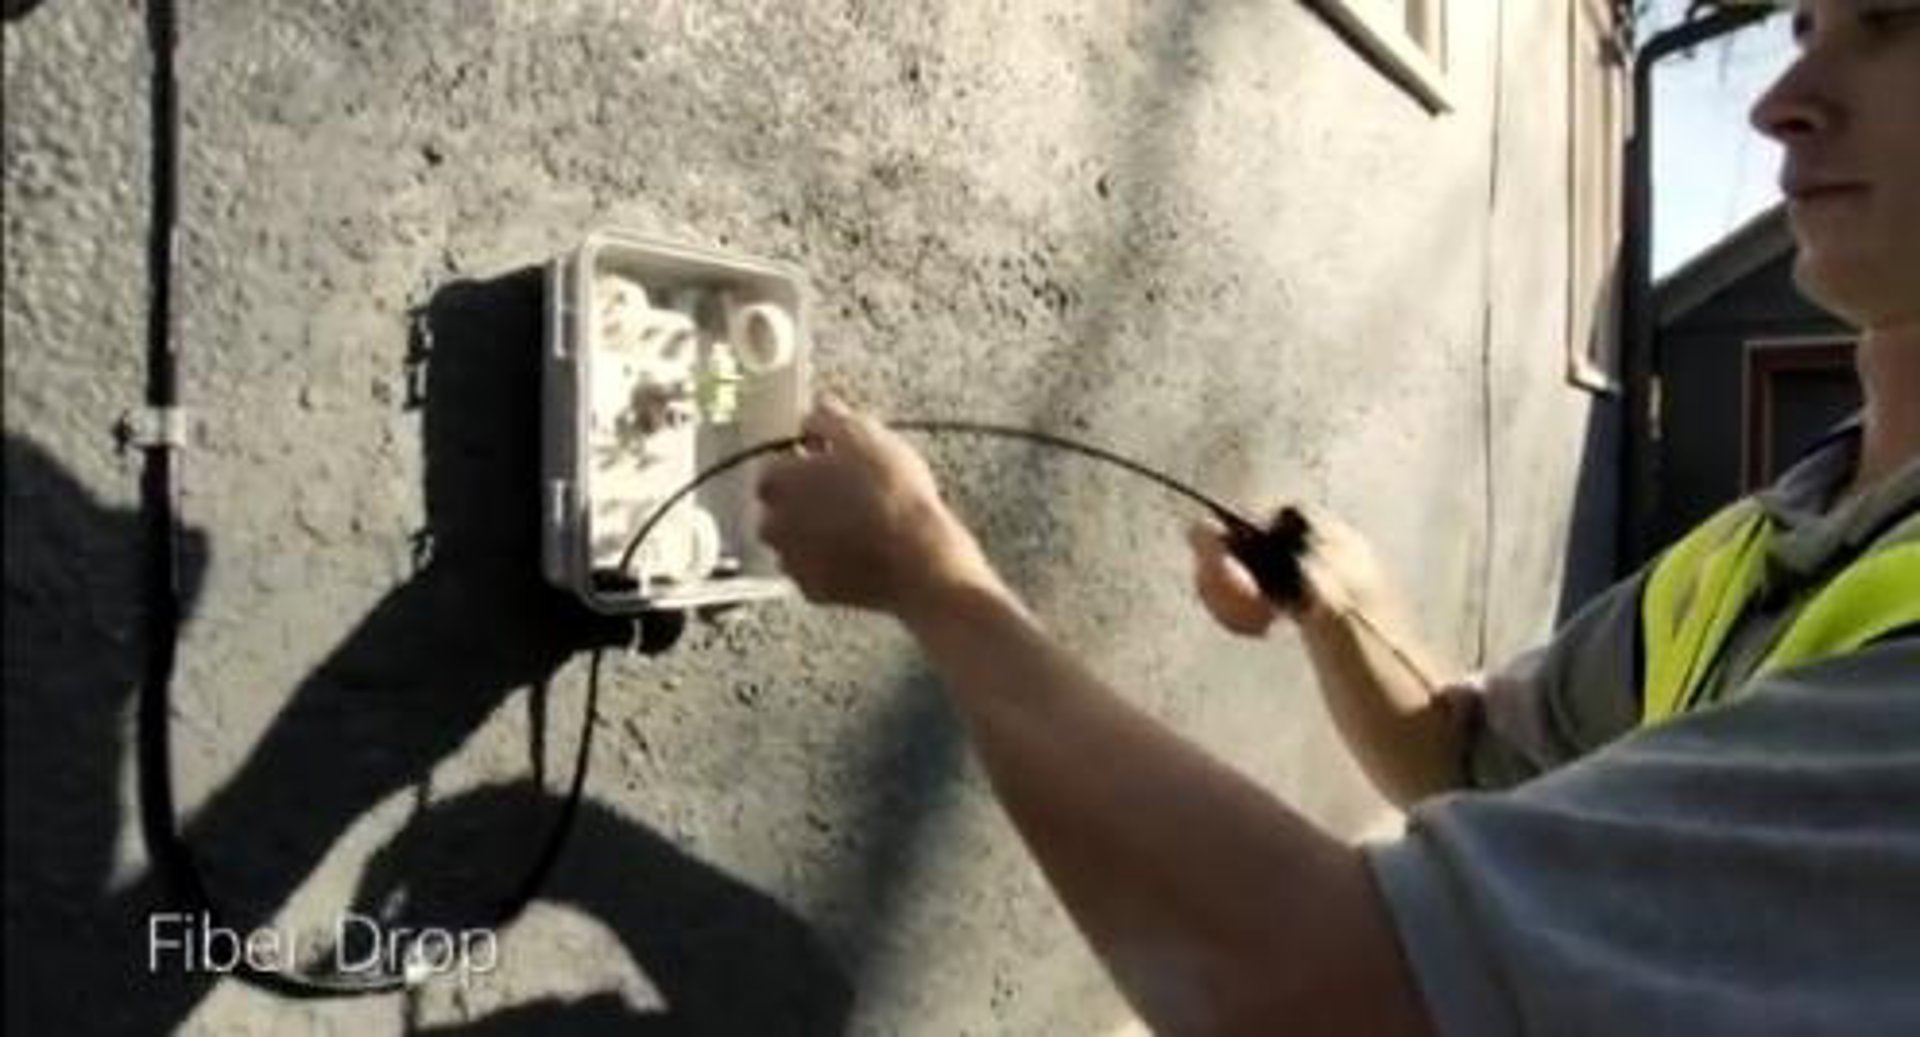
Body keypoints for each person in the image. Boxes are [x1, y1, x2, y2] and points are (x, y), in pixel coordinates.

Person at [752, 1, 1920, 1032]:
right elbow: (1467, 759)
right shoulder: (1756, 545)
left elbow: (1339, 992)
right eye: (1805, 29)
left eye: (1889, 24)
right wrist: (1343, 605)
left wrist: (932, 578)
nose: (1778, 103)